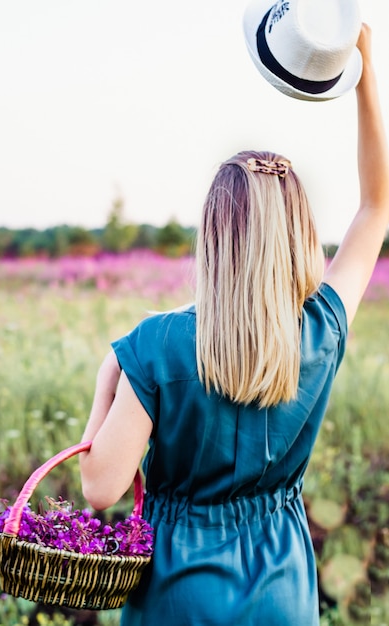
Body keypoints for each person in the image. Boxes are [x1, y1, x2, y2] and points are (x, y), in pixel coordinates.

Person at [79, 24, 389, 626]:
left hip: (179, 593)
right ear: (296, 234)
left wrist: (105, 382)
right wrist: (363, 69)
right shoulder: (319, 330)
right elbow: (377, 207)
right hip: (283, 591)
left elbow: (99, 488)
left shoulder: (157, 347)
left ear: (214, 239)